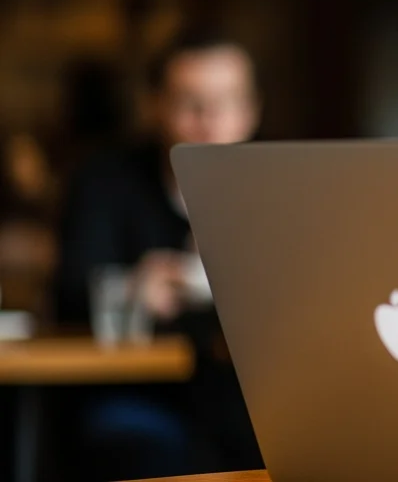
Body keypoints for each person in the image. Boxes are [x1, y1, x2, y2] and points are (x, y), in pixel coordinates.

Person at [54, 30, 262, 480]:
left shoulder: (281, 189)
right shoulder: (104, 181)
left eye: (225, 102)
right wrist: (131, 290)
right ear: (155, 107)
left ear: (250, 111)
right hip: (140, 394)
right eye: (190, 103)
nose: (209, 121)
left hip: (248, 398)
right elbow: (67, 294)